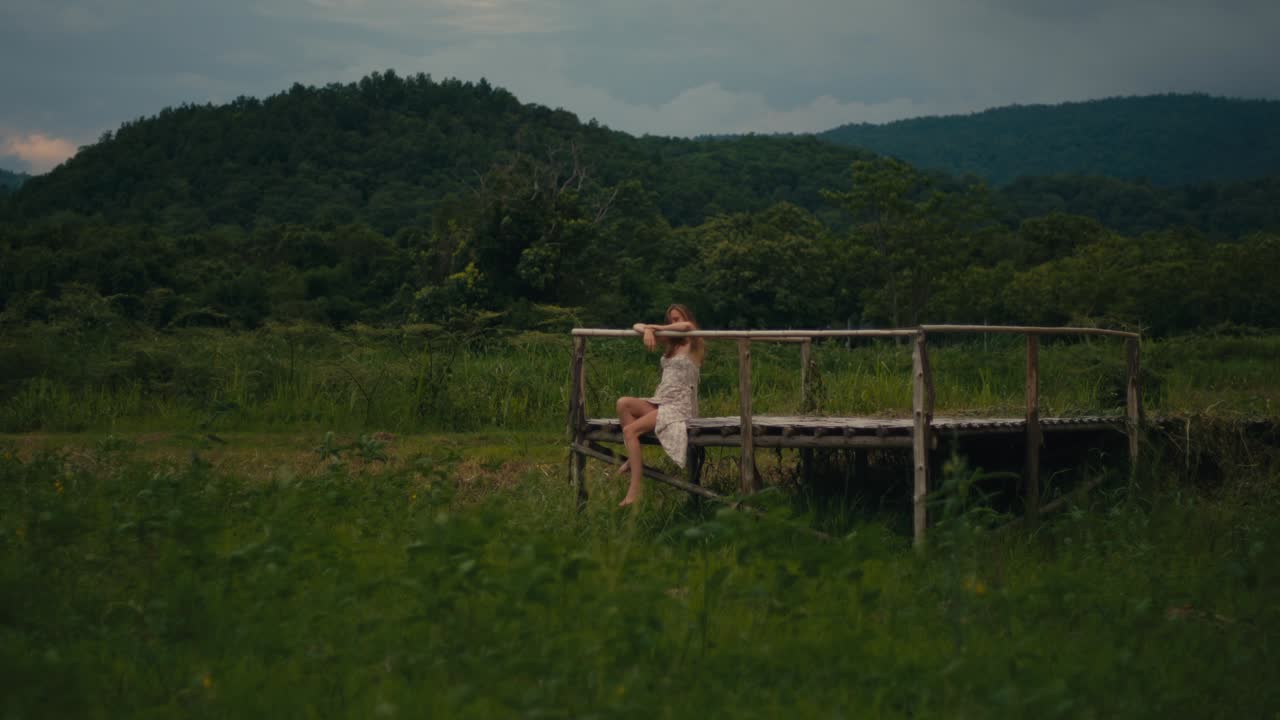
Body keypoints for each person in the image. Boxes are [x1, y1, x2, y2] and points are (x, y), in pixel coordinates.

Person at [614, 304, 706, 507]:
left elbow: (687, 326)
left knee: (630, 431)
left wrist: (653, 328)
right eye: (670, 320)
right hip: (661, 400)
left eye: (676, 318)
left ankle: (635, 489)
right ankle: (634, 455)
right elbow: (636, 325)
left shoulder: (694, 339)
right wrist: (647, 329)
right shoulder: (670, 342)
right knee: (623, 403)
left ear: (685, 317)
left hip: (679, 405)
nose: (673, 323)